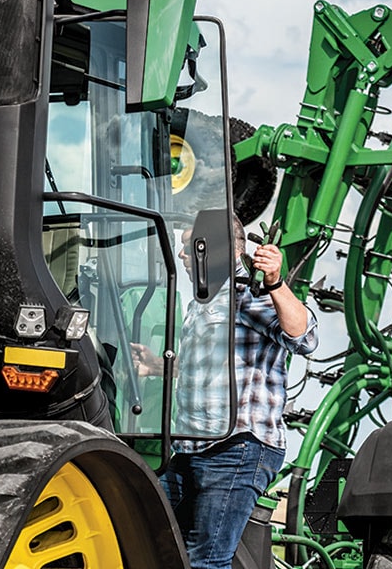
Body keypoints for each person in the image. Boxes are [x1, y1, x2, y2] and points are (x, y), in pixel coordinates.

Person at [131, 217, 319, 569]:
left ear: (219, 249)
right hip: (192, 446)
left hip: (237, 447)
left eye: (190, 246)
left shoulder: (248, 292)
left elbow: (303, 337)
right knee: (147, 539)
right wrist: (157, 366)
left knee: (206, 560)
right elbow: (208, 367)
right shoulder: (201, 302)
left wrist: (275, 282)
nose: (183, 254)